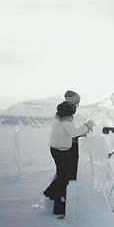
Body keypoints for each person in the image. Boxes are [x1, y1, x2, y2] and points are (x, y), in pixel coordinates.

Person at [43, 90, 95, 219]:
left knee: (63, 174)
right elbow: (72, 132)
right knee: (65, 176)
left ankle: (51, 194)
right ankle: (58, 206)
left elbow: (67, 131)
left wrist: (79, 133)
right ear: (72, 102)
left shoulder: (63, 112)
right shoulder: (66, 114)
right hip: (60, 150)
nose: (78, 105)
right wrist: (87, 126)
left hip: (58, 147)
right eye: (77, 102)